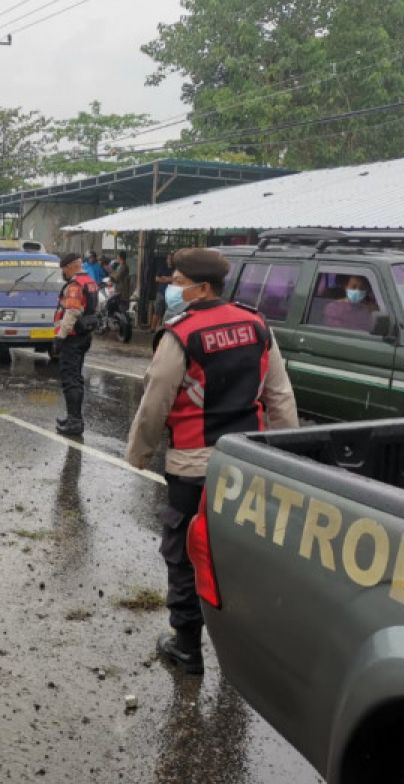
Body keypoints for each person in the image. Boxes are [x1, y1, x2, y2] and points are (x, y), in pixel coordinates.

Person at [126, 248, 298, 676]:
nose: (172, 287)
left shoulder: (181, 334)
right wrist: (287, 456)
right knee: (237, 555)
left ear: (201, 287)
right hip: (248, 462)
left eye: (178, 280)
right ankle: (238, 653)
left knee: (184, 553)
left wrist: (139, 455)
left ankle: (187, 649)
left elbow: (155, 404)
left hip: (195, 465)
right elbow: (279, 395)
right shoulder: (256, 323)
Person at [53, 252, 100, 437]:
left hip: (72, 338)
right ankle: (74, 417)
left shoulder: (74, 286)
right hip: (84, 335)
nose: (63, 272)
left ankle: (74, 422)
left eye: (64, 268)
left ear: (71, 266)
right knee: (76, 377)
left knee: (70, 379)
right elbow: (96, 307)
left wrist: (60, 337)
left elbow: (71, 312)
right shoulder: (90, 281)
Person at [150, 251, 175, 330]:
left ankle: (165, 328)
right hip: (161, 293)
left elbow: (176, 279)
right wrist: (169, 279)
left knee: (168, 312)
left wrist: (165, 278)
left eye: (171, 259)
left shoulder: (175, 269)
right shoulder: (163, 267)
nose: (170, 260)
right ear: (167, 259)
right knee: (157, 311)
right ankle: (152, 329)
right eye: (168, 259)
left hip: (171, 294)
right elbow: (157, 279)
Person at [108, 250, 132, 314]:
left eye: (118, 257)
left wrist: (110, 271)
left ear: (120, 257)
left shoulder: (124, 267)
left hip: (122, 293)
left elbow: (116, 277)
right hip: (119, 291)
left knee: (121, 311)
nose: (117, 258)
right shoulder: (120, 266)